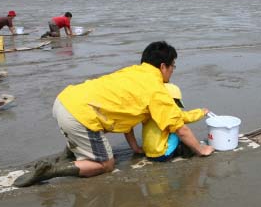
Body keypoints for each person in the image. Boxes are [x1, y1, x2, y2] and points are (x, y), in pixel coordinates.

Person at [14, 41, 214, 187]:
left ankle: (70, 152)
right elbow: (180, 128)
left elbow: (126, 118)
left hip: (64, 100)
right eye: (173, 67)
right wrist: (201, 150)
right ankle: (52, 171)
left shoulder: (132, 72)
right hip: (79, 115)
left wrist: (135, 147)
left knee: (102, 120)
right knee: (106, 164)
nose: (172, 72)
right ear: (163, 66)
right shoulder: (156, 89)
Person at [143, 83, 208, 162]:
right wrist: (201, 112)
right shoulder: (170, 113)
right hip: (162, 155)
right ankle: (185, 151)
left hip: (148, 153)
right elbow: (186, 117)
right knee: (178, 129)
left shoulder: (148, 111)